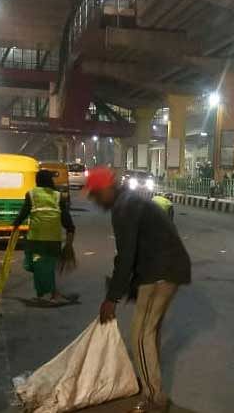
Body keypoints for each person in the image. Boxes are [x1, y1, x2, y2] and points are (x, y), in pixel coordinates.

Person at [85, 167, 191, 413]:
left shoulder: (124, 208)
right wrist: (127, 286)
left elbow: (126, 255)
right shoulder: (130, 202)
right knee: (149, 331)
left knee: (140, 334)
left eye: (96, 194)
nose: (95, 200)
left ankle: (154, 398)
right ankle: (152, 385)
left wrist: (112, 298)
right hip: (166, 268)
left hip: (160, 272)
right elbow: (136, 250)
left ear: (108, 189)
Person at [12, 169, 76, 305]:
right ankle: (48, 293)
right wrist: (70, 237)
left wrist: (15, 225)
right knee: (46, 266)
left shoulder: (31, 194)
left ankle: (48, 294)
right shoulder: (58, 196)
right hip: (53, 240)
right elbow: (67, 220)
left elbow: (24, 212)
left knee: (37, 266)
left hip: (36, 239)